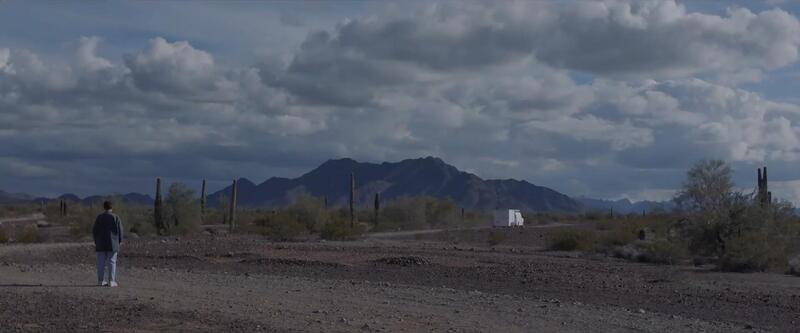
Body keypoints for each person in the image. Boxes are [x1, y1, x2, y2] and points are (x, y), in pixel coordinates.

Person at [92, 201, 123, 287]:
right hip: (113, 243)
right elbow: (120, 230)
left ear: (104, 207)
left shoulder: (99, 217)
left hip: (100, 243)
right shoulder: (116, 217)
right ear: (111, 207)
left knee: (100, 263)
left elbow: (94, 230)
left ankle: (101, 281)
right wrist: (119, 241)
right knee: (112, 262)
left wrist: (96, 241)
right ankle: (111, 281)